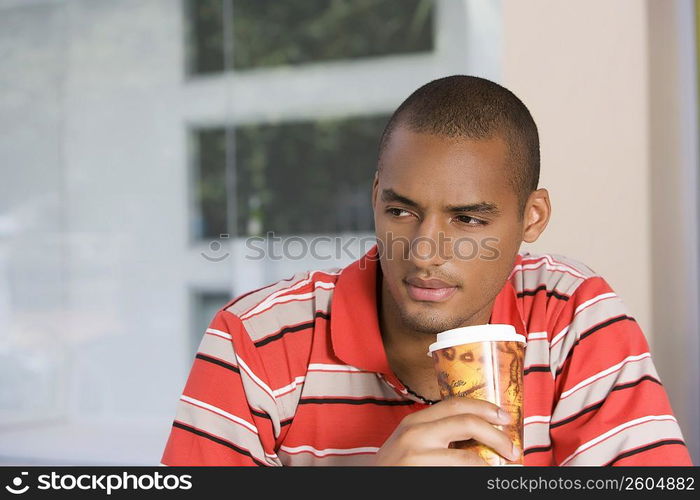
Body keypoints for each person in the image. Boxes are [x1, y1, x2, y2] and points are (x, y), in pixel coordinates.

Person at [160, 75, 692, 466]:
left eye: (467, 220)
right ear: (374, 199)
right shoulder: (255, 339)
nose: (424, 251)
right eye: (401, 211)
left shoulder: (572, 315)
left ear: (532, 218)